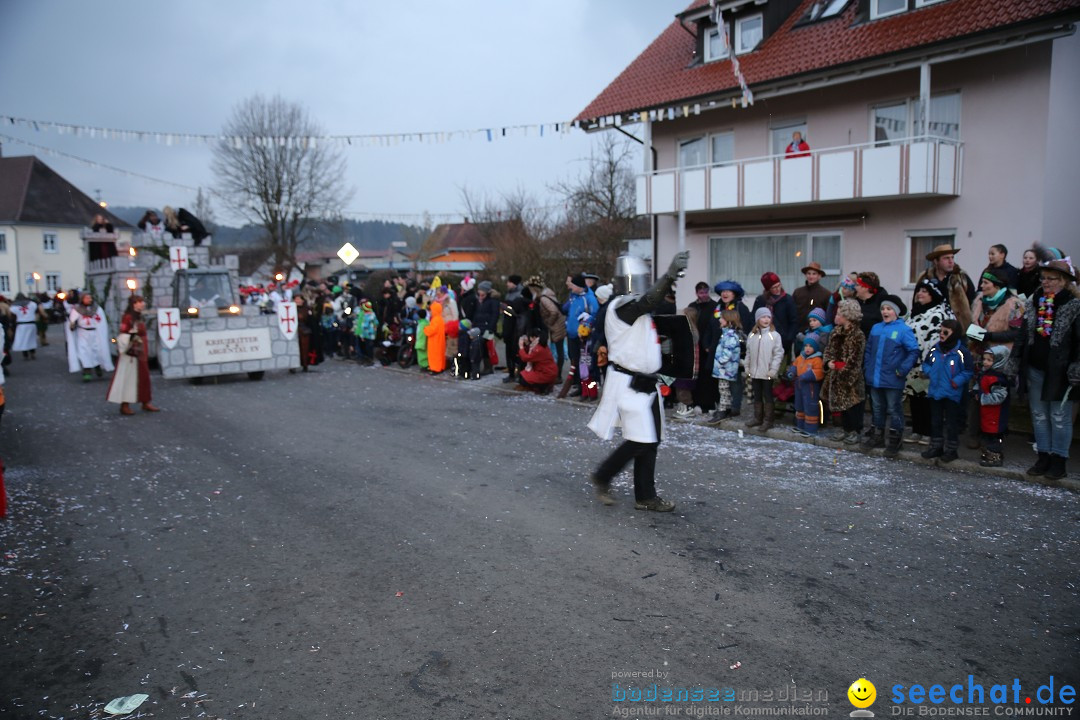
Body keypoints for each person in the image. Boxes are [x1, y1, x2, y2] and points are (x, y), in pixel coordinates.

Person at [588, 251, 689, 512]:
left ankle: (645, 496)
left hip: (646, 383)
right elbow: (649, 299)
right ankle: (603, 476)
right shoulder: (622, 306)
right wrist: (668, 277)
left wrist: (664, 363)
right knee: (640, 439)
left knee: (650, 439)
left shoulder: (637, 310)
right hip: (628, 384)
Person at [1006, 258, 1080, 480]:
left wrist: (1077, 365)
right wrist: (1015, 359)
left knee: (1059, 416)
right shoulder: (1035, 301)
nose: (1045, 282)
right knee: (1039, 415)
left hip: (1061, 371)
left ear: (1064, 281)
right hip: (1035, 368)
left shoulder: (1073, 305)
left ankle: (1059, 461)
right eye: (1043, 278)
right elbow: (1023, 335)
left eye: (1051, 278)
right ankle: (1043, 457)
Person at [863, 295, 920, 457]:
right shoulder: (876, 328)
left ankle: (896, 438)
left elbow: (913, 351)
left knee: (894, 408)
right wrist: (868, 367)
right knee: (877, 407)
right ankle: (878, 435)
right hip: (874, 376)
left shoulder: (903, 330)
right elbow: (869, 350)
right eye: (883, 309)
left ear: (895, 312)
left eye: (888, 309)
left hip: (893, 377)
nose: (885, 312)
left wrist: (902, 370)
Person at [904, 279, 953, 445]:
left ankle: (929, 432)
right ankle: (917, 430)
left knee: (928, 399)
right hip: (912, 364)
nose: (920, 294)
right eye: (919, 290)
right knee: (915, 398)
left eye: (925, 291)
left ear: (934, 294)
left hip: (930, 365)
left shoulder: (940, 314)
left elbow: (939, 342)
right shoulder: (915, 312)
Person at [920, 320, 972, 464]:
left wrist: (956, 381)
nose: (941, 335)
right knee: (935, 421)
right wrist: (930, 372)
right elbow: (926, 364)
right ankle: (936, 446)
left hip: (952, 393)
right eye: (940, 331)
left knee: (951, 423)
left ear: (954, 334)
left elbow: (968, 371)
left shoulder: (962, 352)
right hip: (935, 391)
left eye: (945, 332)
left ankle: (951, 449)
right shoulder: (935, 349)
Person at [822, 299, 866, 444]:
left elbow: (855, 360)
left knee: (851, 406)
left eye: (839, 313)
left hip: (849, 378)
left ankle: (852, 431)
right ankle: (839, 428)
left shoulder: (857, 335)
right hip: (834, 374)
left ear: (848, 316)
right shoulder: (836, 332)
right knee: (836, 406)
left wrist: (845, 373)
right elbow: (828, 350)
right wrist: (828, 363)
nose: (836, 315)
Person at [106, 295, 160, 415]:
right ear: (134, 304)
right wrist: (132, 337)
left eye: (142, 302)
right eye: (140, 302)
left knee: (144, 376)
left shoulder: (138, 316)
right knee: (128, 378)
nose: (143, 304)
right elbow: (123, 334)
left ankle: (145, 402)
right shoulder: (128, 317)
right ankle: (124, 404)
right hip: (131, 352)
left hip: (141, 350)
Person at [912, 244, 975, 328]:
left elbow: (973, 300)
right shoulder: (925, 278)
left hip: (958, 327)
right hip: (929, 326)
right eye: (946, 258)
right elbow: (916, 302)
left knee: (978, 338)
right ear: (936, 261)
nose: (951, 261)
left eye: (952, 257)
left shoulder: (960, 277)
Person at [714, 280, 753, 415]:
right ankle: (725, 406)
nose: (724, 293)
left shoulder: (740, 308)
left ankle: (735, 407)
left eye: (728, 291)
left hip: (735, 348)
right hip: (719, 346)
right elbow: (711, 325)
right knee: (722, 382)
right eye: (723, 291)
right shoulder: (718, 307)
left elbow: (747, 328)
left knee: (734, 380)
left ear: (734, 294)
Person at [744, 307, 784, 431]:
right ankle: (758, 418)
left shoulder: (774, 335)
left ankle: (768, 420)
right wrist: (747, 366)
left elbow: (778, 354)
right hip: (755, 372)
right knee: (757, 395)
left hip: (767, 373)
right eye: (763, 317)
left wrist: (773, 370)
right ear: (757, 319)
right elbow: (749, 353)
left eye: (768, 317)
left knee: (768, 395)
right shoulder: (752, 335)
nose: (766, 319)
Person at [976, 346, 1012, 468]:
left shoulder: (997, 379)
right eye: (984, 359)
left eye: (989, 360)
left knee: (994, 437)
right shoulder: (986, 374)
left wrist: (981, 398)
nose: (985, 362)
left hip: (996, 414)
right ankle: (988, 454)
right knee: (987, 435)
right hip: (987, 413)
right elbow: (980, 386)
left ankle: (995, 456)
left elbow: (999, 397)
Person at [563, 275, 598, 397]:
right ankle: (580, 387)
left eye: (572, 285)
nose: (570, 286)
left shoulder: (589, 298)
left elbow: (595, 314)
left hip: (583, 336)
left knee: (585, 365)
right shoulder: (574, 297)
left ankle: (591, 391)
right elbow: (566, 310)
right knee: (575, 361)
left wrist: (587, 323)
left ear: (578, 286)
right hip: (572, 334)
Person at [707, 309, 744, 423]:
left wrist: (720, 361)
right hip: (724, 368)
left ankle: (722, 411)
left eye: (722, 318)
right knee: (725, 389)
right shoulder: (726, 334)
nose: (719, 319)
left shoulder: (730, 335)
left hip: (725, 369)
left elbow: (727, 352)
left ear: (729, 320)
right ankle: (725, 409)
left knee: (723, 390)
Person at [526, 275, 567, 379]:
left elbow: (553, 312)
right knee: (558, 351)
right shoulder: (548, 295)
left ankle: (557, 376)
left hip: (556, 327)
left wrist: (548, 323)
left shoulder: (544, 298)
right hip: (559, 326)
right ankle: (556, 374)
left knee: (558, 352)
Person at [67, 293, 114, 382]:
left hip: (95, 333)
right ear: (82, 299)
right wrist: (72, 325)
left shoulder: (97, 309)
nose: (89, 299)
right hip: (82, 333)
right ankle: (87, 372)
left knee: (96, 350)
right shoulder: (77, 310)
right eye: (87, 298)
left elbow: (101, 321)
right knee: (83, 352)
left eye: (90, 297)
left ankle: (97, 367)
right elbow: (72, 322)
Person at [688, 281, 718, 413]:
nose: (704, 295)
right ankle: (697, 402)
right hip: (696, 346)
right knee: (697, 376)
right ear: (696, 293)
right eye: (701, 293)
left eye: (706, 292)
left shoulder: (714, 306)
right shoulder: (693, 306)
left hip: (709, 346)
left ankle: (710, 403)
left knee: (709, 376)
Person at [787, 334, 825, 437]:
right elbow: (794, 365)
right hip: (799, 385)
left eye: (810, 346)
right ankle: (800, 425)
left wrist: (807, 376)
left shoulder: (817, 359)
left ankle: (810, 428)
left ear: (815, 347)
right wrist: (792, 372)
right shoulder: (801, 357)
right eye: (806, 346)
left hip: (810, 387)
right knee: (799, 405)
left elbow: (819, 372)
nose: (808, 348)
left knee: (810, 406)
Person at [752, 272, 797, 354]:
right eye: (773, 287)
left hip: (783, 339)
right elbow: (754, 319)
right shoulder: (761, 300)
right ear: (768, 289)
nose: (777, 289)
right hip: (763, 338)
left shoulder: (788, 299)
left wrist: (789, 339)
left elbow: (793, 321)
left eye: (779, 285)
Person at [516, 327, 558, 393]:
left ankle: (543, 387)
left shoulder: (538, 349)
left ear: (534, 338)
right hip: (549, 372)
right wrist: (527, 345)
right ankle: (544, 386)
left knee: (523, 379)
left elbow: (526, 358)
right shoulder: (541, 345)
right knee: (524, 375)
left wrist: (521, 347)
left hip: (546, 374)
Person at [793, 262, 832, 333]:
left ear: (819, 276)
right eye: (809, 273)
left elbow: (829, 316)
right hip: (798, 332)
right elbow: (792, 313)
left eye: (814, 274)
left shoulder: (826, 294)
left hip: (817, 334)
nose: (811, 276)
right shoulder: (798, 292)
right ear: (805, 275)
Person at [854, 272, 888, 337]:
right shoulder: (857, 302)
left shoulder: (882, 305)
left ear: (866, 287)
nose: (855, 287)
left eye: (857, 285)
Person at [10, 293, 39, 360]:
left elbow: (12, 316)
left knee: (23, 340)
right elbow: (36, 310)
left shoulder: (14, 307)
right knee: (31, 339)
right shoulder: (32, 304)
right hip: (31, 324)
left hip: (21, 325)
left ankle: (25, 355)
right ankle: (32, 353)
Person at [423, 300, 446, 374]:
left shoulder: (435, 319)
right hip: (439, 340)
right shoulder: (440, 318)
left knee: (434, 355)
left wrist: (425, 329)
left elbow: (432, 330)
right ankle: (441, 367)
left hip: (435, 341)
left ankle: (435, 369)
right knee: (440, 354)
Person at [354, 299, 377, 365]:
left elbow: (369, 325)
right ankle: (363, 358)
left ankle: (369, 359)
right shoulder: (360, 312)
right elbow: (358, 322)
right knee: (362, 346)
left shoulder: (370, 314)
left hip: (367, 334)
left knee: (368, 347)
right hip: (361, 333)